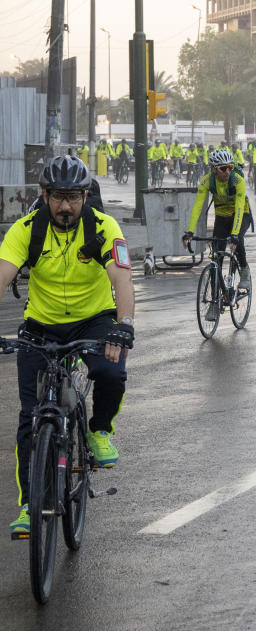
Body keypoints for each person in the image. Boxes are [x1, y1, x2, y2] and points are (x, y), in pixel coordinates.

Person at [0, 156, 134, 534]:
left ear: (85, 195)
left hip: (94, 319)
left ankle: (100, 429)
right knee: (30, 419)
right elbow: (3, 272)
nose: (65, 206)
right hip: (41, 325)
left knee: (110, 369)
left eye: (73, 197)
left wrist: (123, 326)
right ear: (44, 195)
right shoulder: (27, 229)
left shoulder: (103, 227)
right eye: (58, 197)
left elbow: (122, 279)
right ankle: (29, 505)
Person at [182, 149, 253, 298]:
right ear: (214, 169)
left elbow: (239, 207)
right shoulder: (207, 181)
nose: (227, 171)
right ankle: (215, 301)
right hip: (221, 217)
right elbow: (197, 207)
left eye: (230, 167)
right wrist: (189, 232)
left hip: (241, 214)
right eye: (223, 168)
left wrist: (234, 235)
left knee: (238, 239)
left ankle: (244, 270)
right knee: (215, 260)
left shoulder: (237, 180)